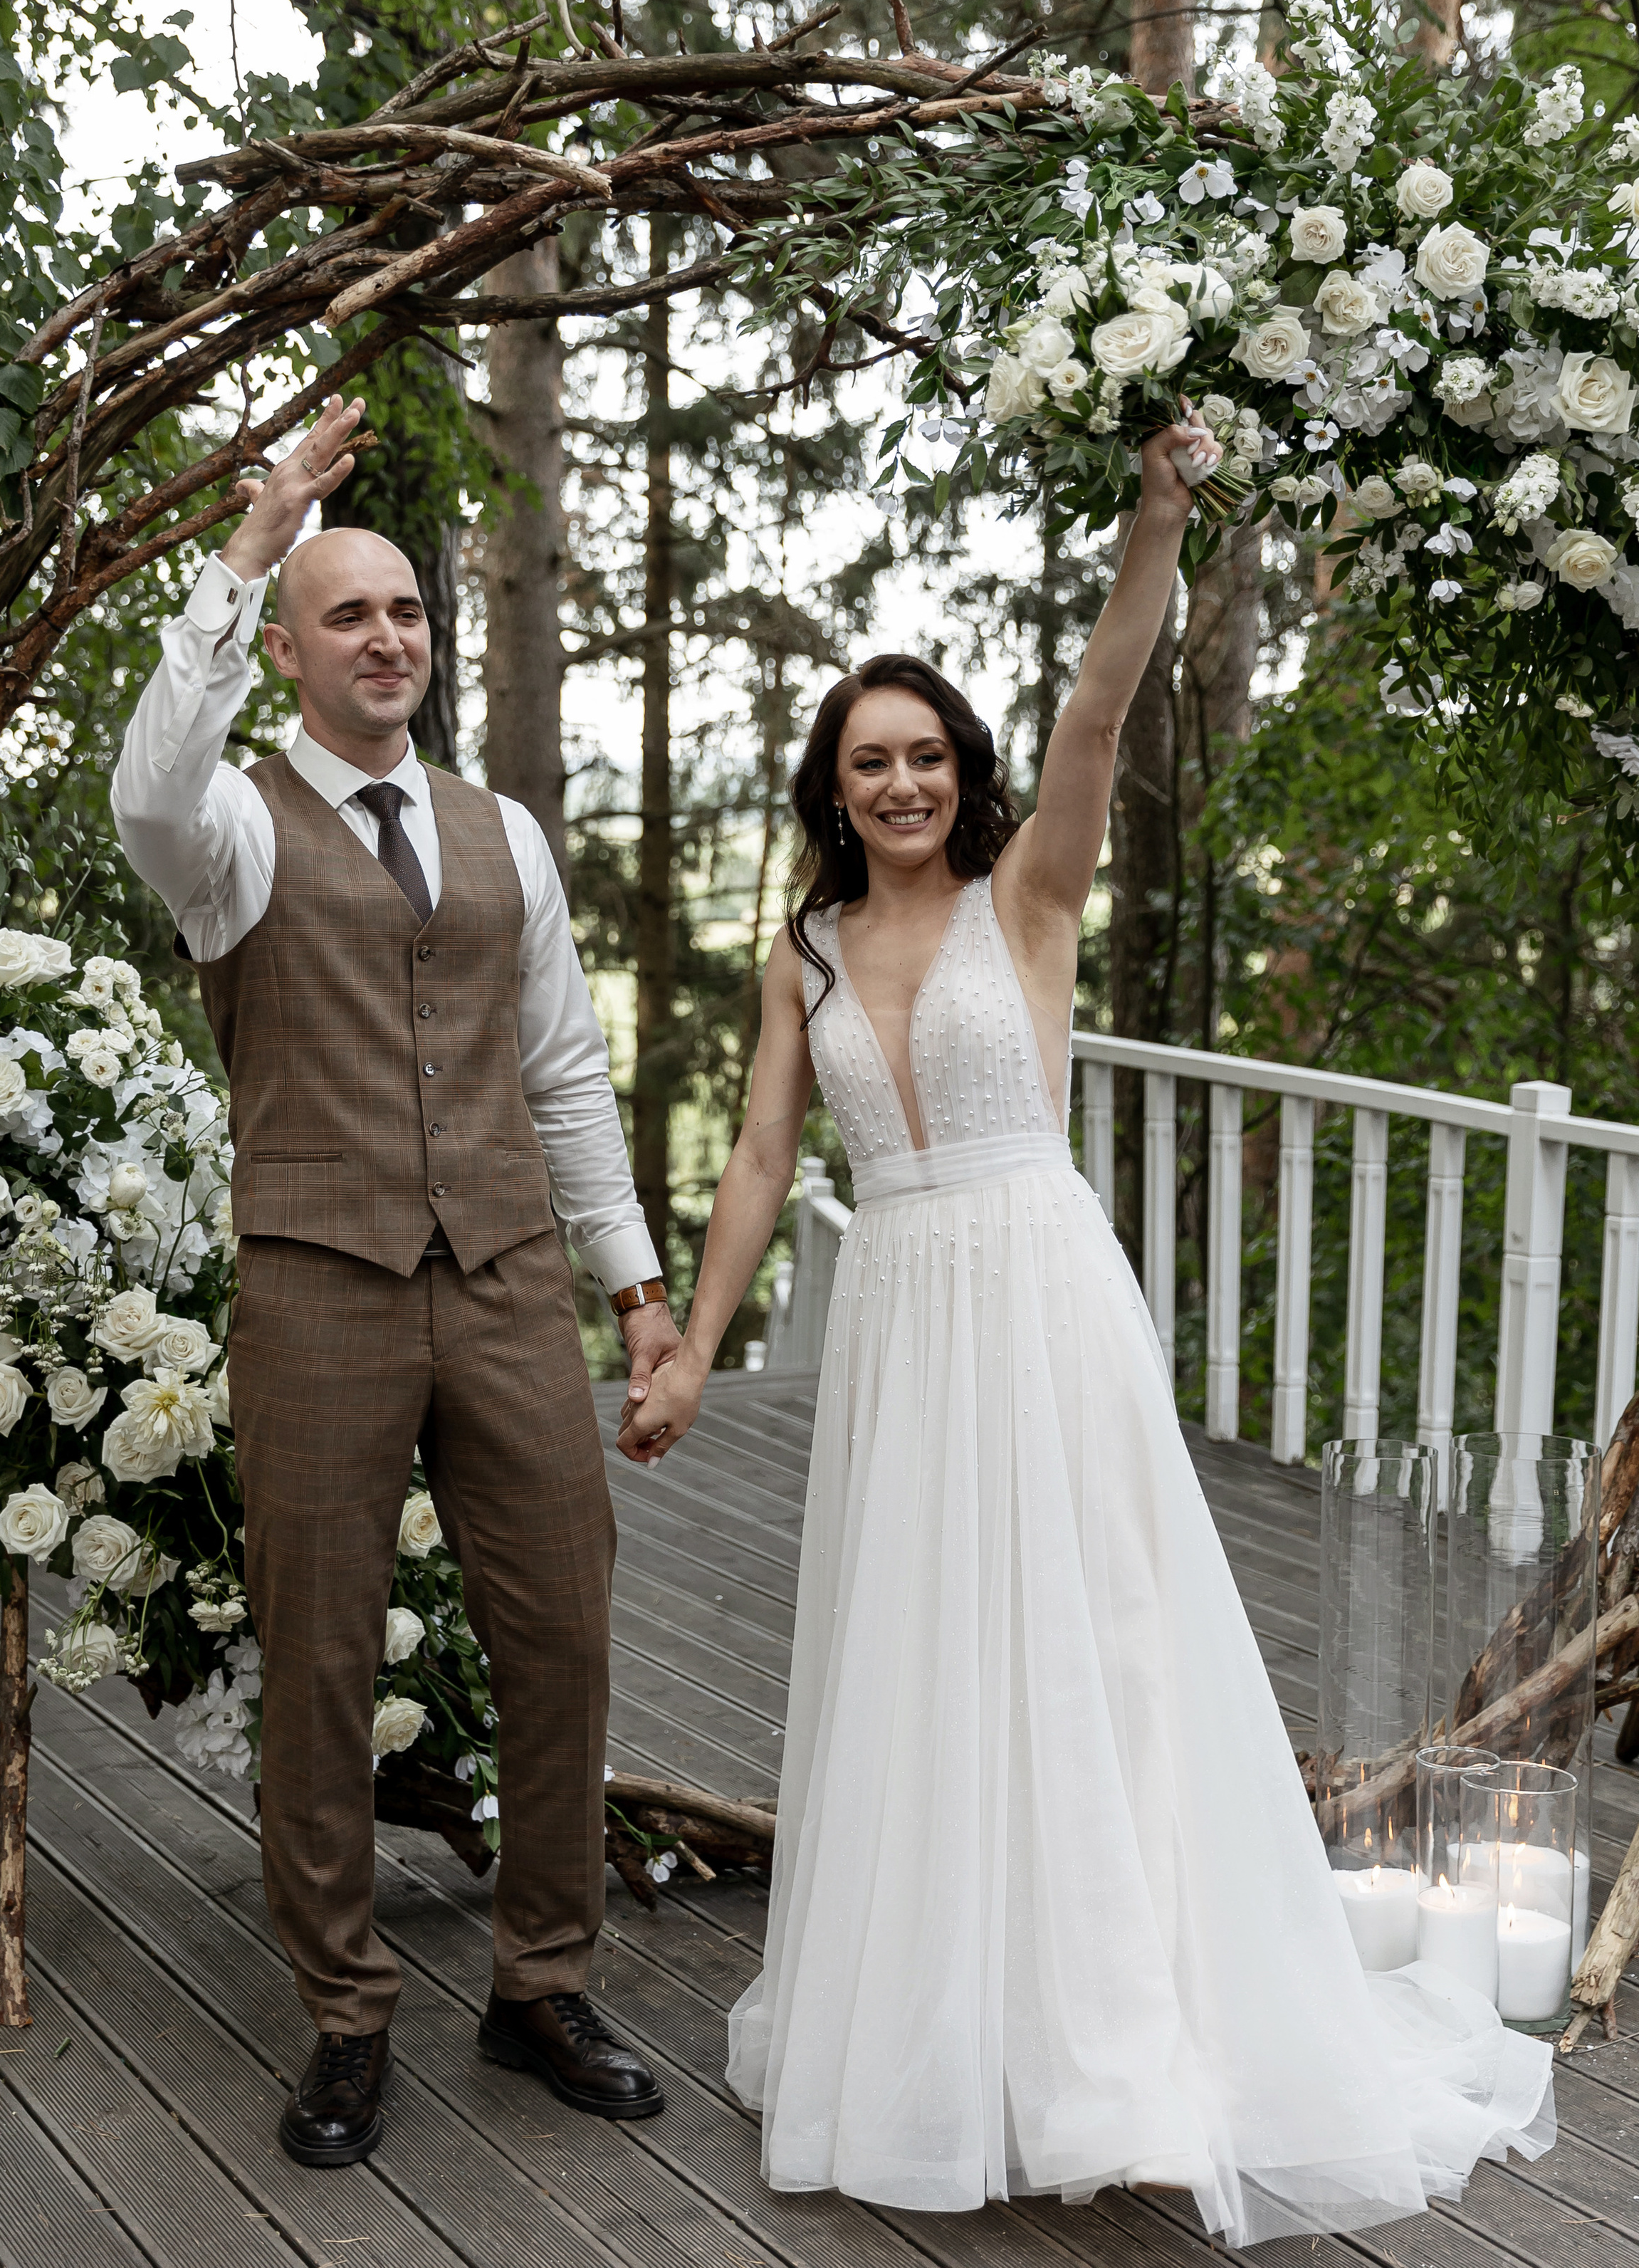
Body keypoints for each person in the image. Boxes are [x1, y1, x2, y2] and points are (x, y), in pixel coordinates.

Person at [615, 423, 1556, 2247]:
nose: (897, 782)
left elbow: (1100, 716)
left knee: (1085, 1651)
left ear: (961, 770)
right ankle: (945, 2041)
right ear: (830, 791)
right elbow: (752, 1156)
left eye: (920, 755)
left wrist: (1156, 518)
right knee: (923, 1661)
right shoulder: (803, 953)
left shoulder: (1024, 895)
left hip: (1040, 1305)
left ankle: (1119, 2055)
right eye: (863, 762)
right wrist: (687, 1352)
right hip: (895, 1322)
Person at [113, 396, 675, 2167]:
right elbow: (143, 788)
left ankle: (539, 1985)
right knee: (324, 1662)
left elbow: (566, 1071)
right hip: (320, 1288)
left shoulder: (501, 828)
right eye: (347, 611)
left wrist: (637, 1294)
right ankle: (347, 2012)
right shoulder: (234, 836)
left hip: (508, 1279)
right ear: (286, 645)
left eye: (409, 611)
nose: (387, 637)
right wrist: (260, 528)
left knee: (563, 1633)